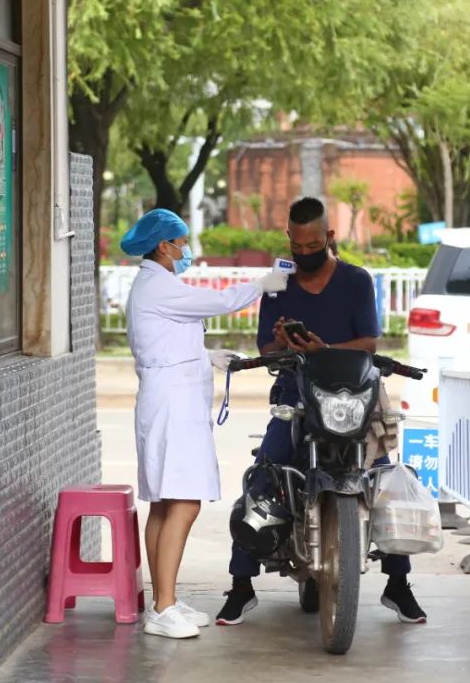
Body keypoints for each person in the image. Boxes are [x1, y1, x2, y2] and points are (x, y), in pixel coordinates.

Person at [215, 197, 428, 626]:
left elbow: (368, 343)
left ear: (329, 237)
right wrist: (280, 344)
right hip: (295, 392)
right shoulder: (280, 283)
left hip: (355, 395)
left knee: (385, 479)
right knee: (264, 473)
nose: (304, 253)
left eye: (313, 244)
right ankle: (241, 585)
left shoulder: (356, 281)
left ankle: (398, 584)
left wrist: (323, 349)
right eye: (297, 245)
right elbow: (266, 350)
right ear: (288, 238)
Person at [121, 208, 289, 640]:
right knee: (184, 501)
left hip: (169, 402)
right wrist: (260, 285)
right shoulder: (157, 286)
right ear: (165, 245)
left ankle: (165, 600)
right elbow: (216, 302)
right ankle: (161, 607)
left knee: (163, 502)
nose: (186, 251)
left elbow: (170, 337)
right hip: (172, 409)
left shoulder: (156, 285)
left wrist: (206, 357)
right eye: (182, 243)